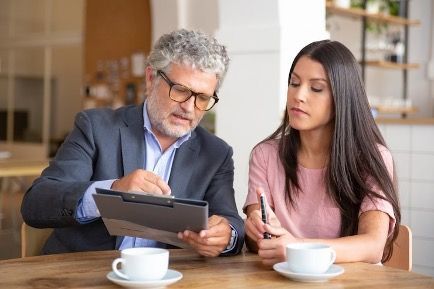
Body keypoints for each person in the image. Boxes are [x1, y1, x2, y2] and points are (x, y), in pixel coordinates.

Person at [21, 29, 244, 257]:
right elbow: (36, 203)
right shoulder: (95, 127)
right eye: (180, 90)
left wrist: (226, 236)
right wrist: (113, 191)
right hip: (84, 275)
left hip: (168, 278)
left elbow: (233, 224)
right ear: (151, 78)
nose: (189, 107)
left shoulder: (216, 154)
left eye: (203, 98)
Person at [244, 40, 401, 266]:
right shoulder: (264, 155)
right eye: (294, 83)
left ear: (342, 98)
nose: (299, 95)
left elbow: (373, 247)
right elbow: (257, 240)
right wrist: (255, 230)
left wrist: (296, 247)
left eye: (316, 88)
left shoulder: (371, 157)